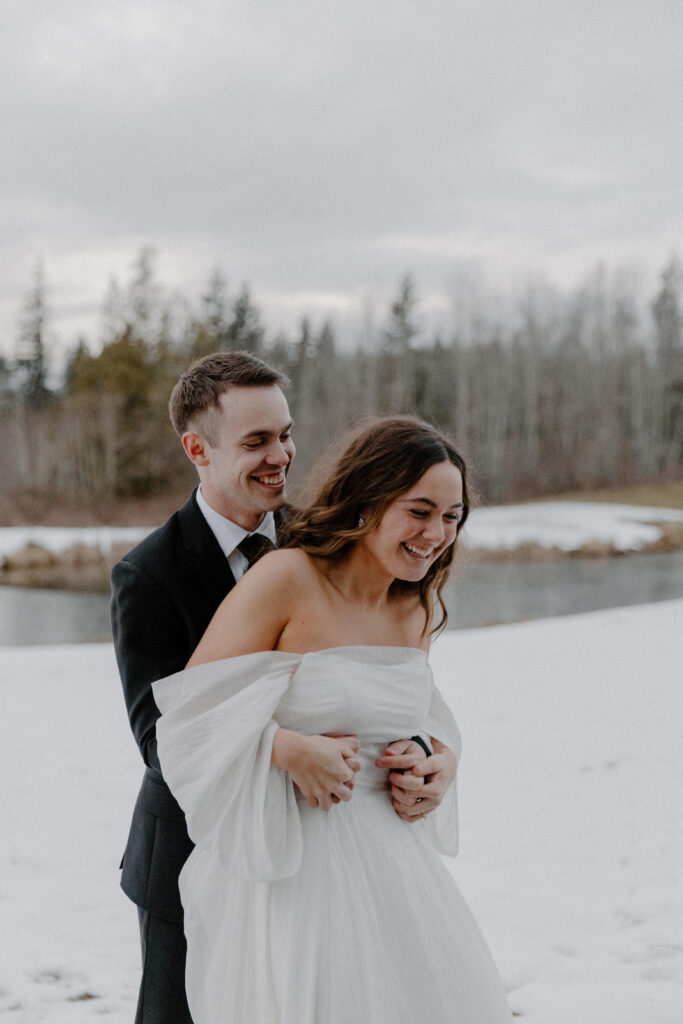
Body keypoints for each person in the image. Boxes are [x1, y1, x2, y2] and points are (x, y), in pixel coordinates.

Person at [111, 353, 458, 1023]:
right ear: (196, 449)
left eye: (286, 434)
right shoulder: (148, 574)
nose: (282, 455)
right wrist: (281, 747)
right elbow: (161, 734)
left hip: (333, 854)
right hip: (192, 845)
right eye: (256, 441)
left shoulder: (327, 540)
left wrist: (425, 750)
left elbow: (374, 679)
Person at [152, 416, 515, 1023]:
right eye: (419, 511)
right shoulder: (287, 579)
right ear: (369, 501)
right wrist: (282, 747)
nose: (436, 534)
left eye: (452, 517)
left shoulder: (415, 607)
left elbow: (421, 715)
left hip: (396, 876)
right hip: (296, 875)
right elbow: (190, 715)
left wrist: (436, 762)